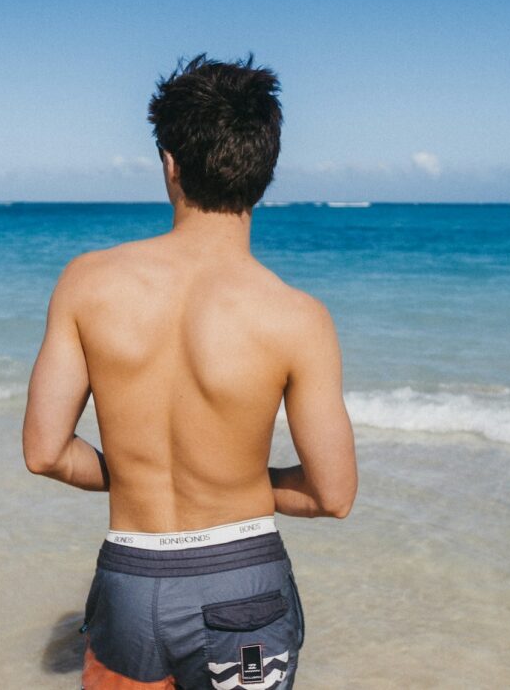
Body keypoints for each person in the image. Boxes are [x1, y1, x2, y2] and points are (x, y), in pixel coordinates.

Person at [23, 54, 357, 690]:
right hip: (244, 587)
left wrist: (143, 475)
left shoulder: (87, 283)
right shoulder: (298, 316)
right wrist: (232, 481)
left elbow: (45, 453)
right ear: (266, 171)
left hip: (129, 583)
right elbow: (331, 495)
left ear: (170, 163)